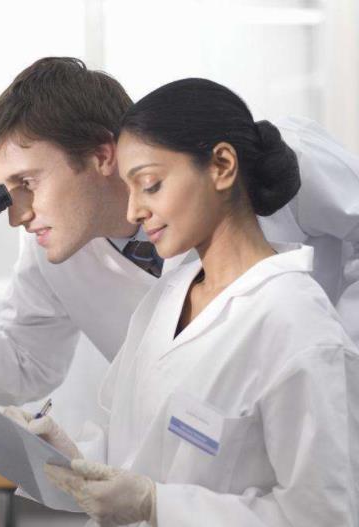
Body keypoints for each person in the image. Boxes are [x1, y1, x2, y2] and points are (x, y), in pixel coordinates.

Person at [0, 57, 359, 411]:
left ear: (101, 155)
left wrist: (334, 358)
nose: (18, 216)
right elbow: (26, 366)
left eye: (28, 182)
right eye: (7, 192)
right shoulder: (51, 249)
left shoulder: (268, 158)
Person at [27, 78, 358, 526]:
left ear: (222, 166)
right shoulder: (168, 298)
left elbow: (324, 517)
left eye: (150, 184)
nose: (133, 211)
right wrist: (70, 460)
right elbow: (143, 447)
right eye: (129, 189)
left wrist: (157, 505)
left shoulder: (297, 324)